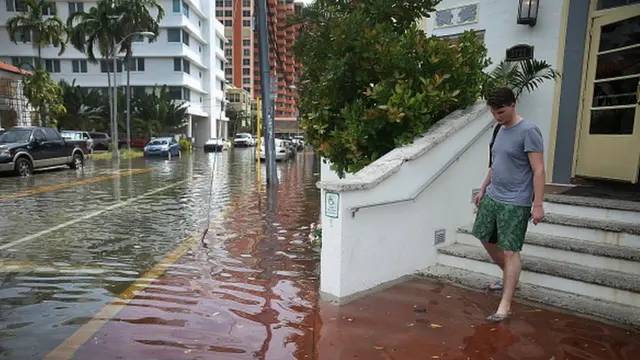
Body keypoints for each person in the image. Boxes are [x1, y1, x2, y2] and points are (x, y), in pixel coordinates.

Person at [471, 86, 545, 323]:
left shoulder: (529, 131)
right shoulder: (498, 129)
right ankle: (509, 277)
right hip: (493, 195)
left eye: (501, 111)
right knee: (484, 236)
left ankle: (505, 304)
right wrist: (483, 188)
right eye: (494, 112)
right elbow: (496, 163)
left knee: (510, 250)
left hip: (515, 202)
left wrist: (538, 204)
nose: (497, 116)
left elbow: (539, 169)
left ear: (513, 104)